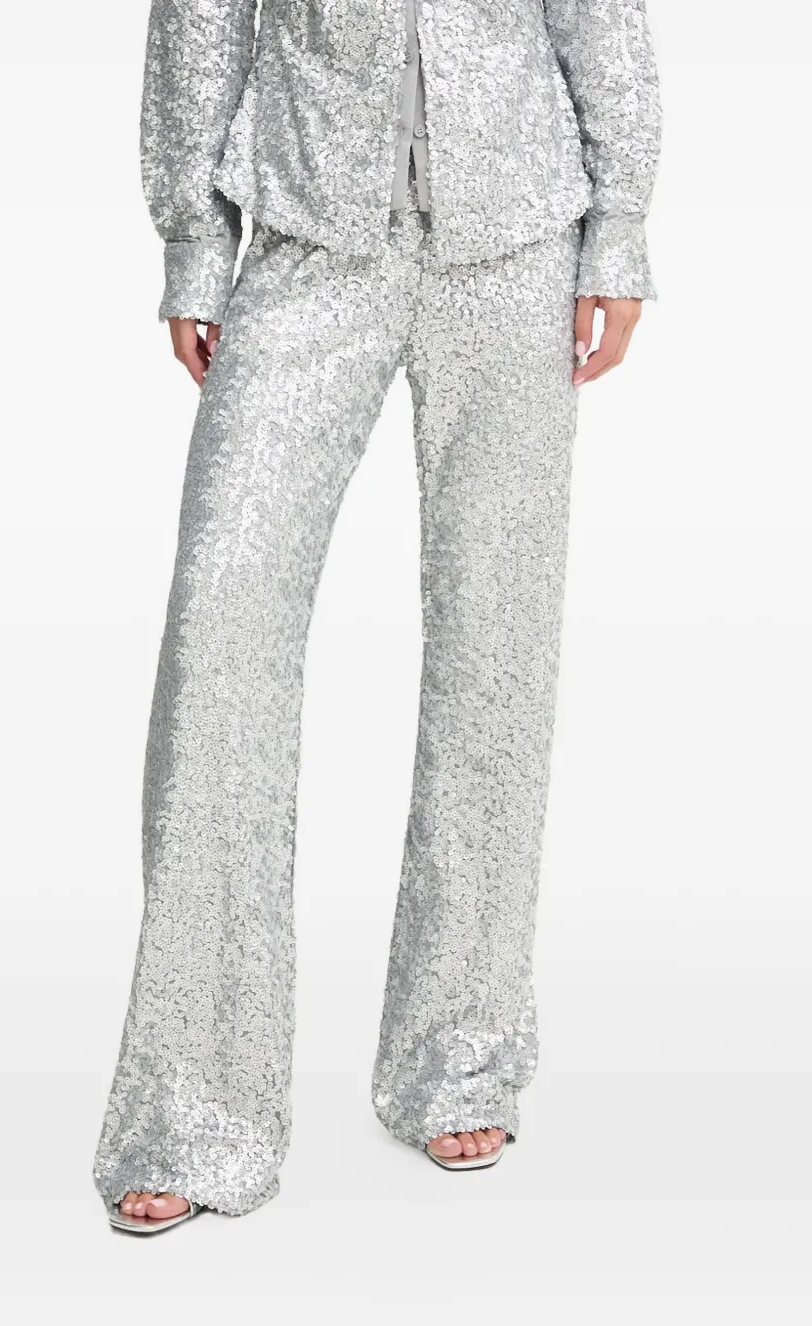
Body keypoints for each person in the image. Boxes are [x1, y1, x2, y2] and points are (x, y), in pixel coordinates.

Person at [94, 0, 661, 1232]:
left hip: (515, 242)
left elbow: (599, 18)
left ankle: (457, 1054)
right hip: (307, 239)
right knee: (218, 646)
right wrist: (195, 243)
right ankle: (190, 1109)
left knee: (495, 657)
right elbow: (199, 23)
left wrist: (617, 232)